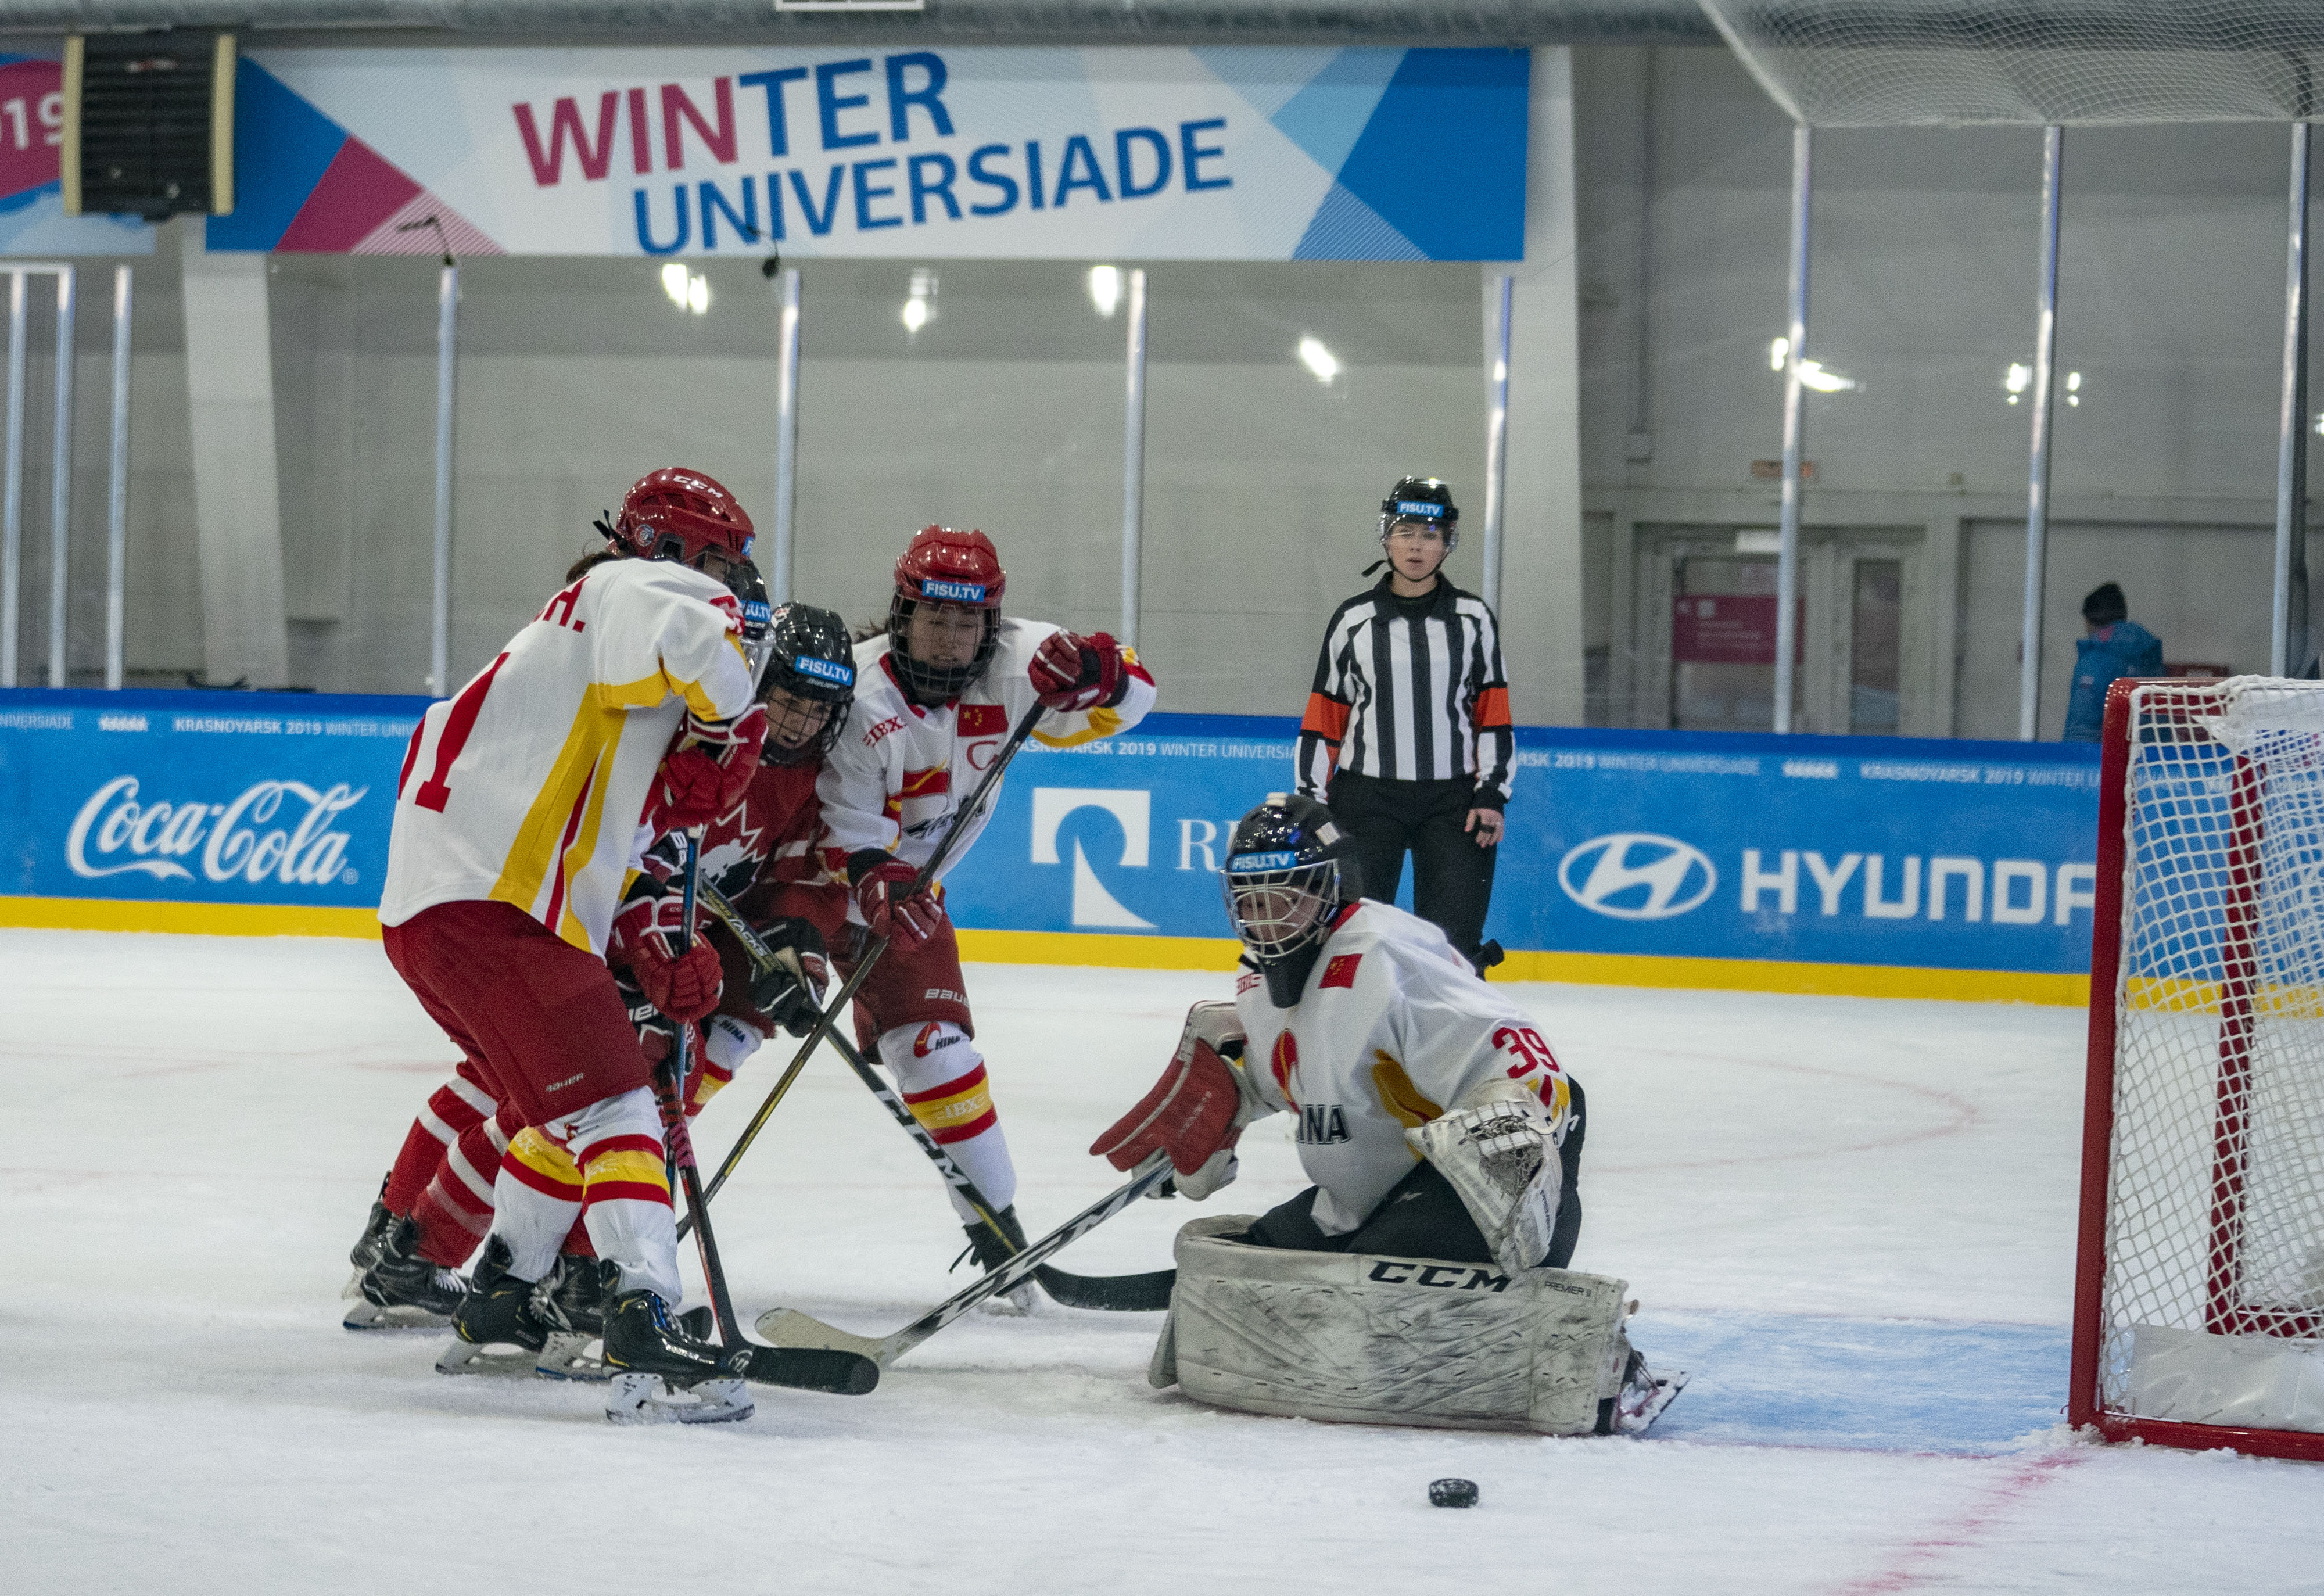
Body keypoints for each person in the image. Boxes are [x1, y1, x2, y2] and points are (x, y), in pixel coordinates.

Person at [349, 601, 857, 1373]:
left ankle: (520, 1272)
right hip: (586, 930)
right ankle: (430, 1248)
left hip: (663, 951)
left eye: (817, 708)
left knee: (590, 1102)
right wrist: (649, 941)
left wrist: (791, 955)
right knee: (551, 1098)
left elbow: (793, 883)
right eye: (787, 697)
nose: (797, 720)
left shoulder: (814, 775)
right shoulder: (688, 728)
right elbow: (616, 848)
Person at [371, 467, 773, 1423]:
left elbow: (609, 821)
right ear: (676, 550)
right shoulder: (640, 585)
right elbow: (702, 646)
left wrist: (643, 926)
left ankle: (503, 1293)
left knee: (552, 1104)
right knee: (619, 1101)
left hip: (434, 913)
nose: (732, 589)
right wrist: (734, 723)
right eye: (722, 565)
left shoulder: (567, 631)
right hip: (499, 909)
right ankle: (648, 1313)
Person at [1089, 792, 1681, 1434]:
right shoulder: (1258, 979)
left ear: (1333, 887)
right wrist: (1222, 1098)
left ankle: (1611, 1369)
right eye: (1251, 898)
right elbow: (1289, 1067)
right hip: (1367, 1192)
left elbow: (1531, 1064)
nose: (1268, 917)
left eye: (1287, 893)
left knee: (1374, 1278)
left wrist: (1511, 1169)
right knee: (1251, 1264)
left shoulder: (1385, 955)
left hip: (1479, 1189)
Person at [765, 524, 1157, 1296]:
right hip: (800, 883)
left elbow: (1136, 700)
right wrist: (876, 875)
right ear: (903, 612)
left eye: (967, 621)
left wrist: (1098, 671)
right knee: (720, 1040)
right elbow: (852, 819)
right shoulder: (864, 688)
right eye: (933, 618)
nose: (949, 638)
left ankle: (1001, 1234)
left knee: (940, 1051)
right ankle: (613, 1234)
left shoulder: (1021, 659)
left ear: (992, 621)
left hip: (906, 890)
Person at [1297, 477, 1514, 973]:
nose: (1417, 545)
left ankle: (1440, 1046)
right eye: (1406, 531)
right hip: (1366, 798)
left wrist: (1492, 795)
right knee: (1353, 934)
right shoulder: (1353, 620)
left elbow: (1493, 714)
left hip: (1454, 803)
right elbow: (1325, 716)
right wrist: (1311, 797)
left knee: (1452, 944)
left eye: (1431, 534)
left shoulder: (1474, 619)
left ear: (1448, 542)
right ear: (1386, 537)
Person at [2063, 582, 2164, 741]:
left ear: (2089, 621)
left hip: (2105, 761)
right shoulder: (2148, 657)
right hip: (2153, 759)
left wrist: (2072, 760)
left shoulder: (2095, 662)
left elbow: (2083, 726)